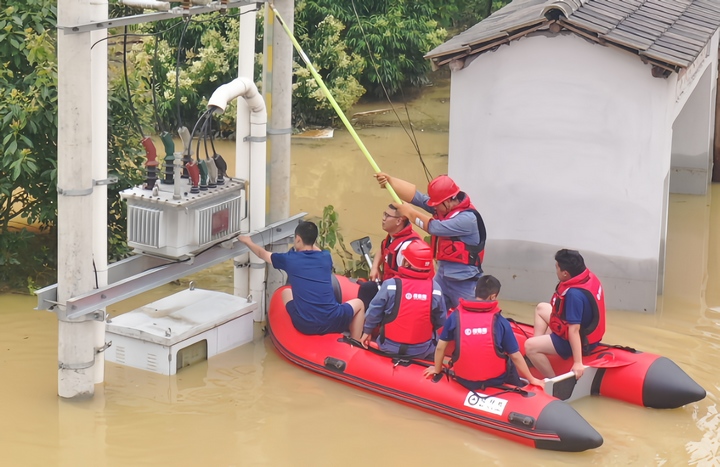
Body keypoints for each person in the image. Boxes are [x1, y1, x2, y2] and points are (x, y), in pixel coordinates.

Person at [374, 172, 486, 310]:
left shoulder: (467, 219)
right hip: (442, 277)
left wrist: (410, 213)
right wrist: (390, 182)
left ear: (448, 201)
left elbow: (434, 227)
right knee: (429, 312)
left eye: (437, 204)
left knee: (471, 317)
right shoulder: (443, 207)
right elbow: (418, 198)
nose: (435, 207)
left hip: (464, 281)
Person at [238, 221, 365, 339]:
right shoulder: (326, 257)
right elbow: (317, 251)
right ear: (314, 241)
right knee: (359, 303)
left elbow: (262, 254)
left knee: (286, 292)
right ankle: (355, 342)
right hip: (332, 320)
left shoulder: (290, 259)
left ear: (298, 239)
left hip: (306, 325)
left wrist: (248, 242)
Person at [423, 276, 544, 389]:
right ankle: (520, 389)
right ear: (493, 296)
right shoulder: (500, 321)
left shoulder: (455, 316)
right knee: (509, 361)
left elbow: (440, 348)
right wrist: (532, 379)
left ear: (475, 289)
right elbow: (516, 356)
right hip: (495, 380)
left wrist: (437, 369)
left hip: (463, 379)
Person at [524, 249, 606, 380]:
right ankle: (538, 350)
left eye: (557, 267)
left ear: (566, 273)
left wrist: (578, 362)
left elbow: (574, 330)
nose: (556, 270)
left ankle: (552, 379)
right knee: (541, 308)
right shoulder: (588, 276)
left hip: (580, 340)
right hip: (582, 329)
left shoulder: (574, 295)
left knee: (529, 346)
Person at [359, 241, 446, 359]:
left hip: (389, 347)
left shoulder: (390, 285)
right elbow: (440, 320)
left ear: (405, 262)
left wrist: (367, 331)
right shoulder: (435, 289)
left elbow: (374, 311)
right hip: (421, 350)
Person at [357, 204, 422, 311]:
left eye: (387, 216)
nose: (383, 218)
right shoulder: (394, 236)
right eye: (384, 214)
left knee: (368, 290)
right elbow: (383, 248)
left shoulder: (407, 248)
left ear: (398, 221)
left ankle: (367, 325)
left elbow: (408, 284)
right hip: (388, 286)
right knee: (366, 288)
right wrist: (375, 267)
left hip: (401, 295)